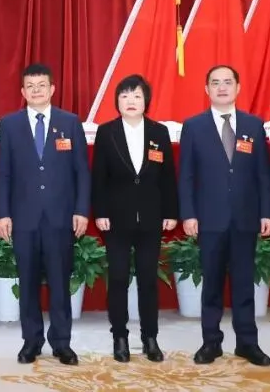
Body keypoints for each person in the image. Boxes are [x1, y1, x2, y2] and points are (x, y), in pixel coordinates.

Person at [178, 65, 270, 367]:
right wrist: (188, 214)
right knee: (212, 285)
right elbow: (186, 176)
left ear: (238, 87)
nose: (222, 88)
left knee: (244, 284)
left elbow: (263, 174)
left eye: (227, 82)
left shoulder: (253, 125)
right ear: (206, 89)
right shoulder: (193, 126)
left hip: (246, 217)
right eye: (215, 83)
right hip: (210, 219)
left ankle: (247, 343)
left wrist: (266, 212)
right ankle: (211, 343)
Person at [0, 63, 89, 366]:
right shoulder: (10, 125)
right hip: (23, 218)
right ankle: (31, 341)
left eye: (42, 85)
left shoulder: (70, 122)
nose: (36, 91)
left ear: (52, 89)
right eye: (30, 86)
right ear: (23, 92)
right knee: (28, 283)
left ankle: (62, 343)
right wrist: (3, 214)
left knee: (60, 283)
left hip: (61, 217)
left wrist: (81, 210)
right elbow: (4, 173)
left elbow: (81, 171)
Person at [91, 74, 177, 363]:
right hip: (116, 219)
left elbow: (168, 177)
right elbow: (99, 177)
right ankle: (120, 337)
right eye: (125, 96)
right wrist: (100, 212)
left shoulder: (159, 132)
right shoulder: (107, 132)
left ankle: (150, 338)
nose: (131, 101)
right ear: (117, 101)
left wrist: (171, 212)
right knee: (117, 279)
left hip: (151, 218)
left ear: (146, 101)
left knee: (148, 280)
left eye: (137, 96)